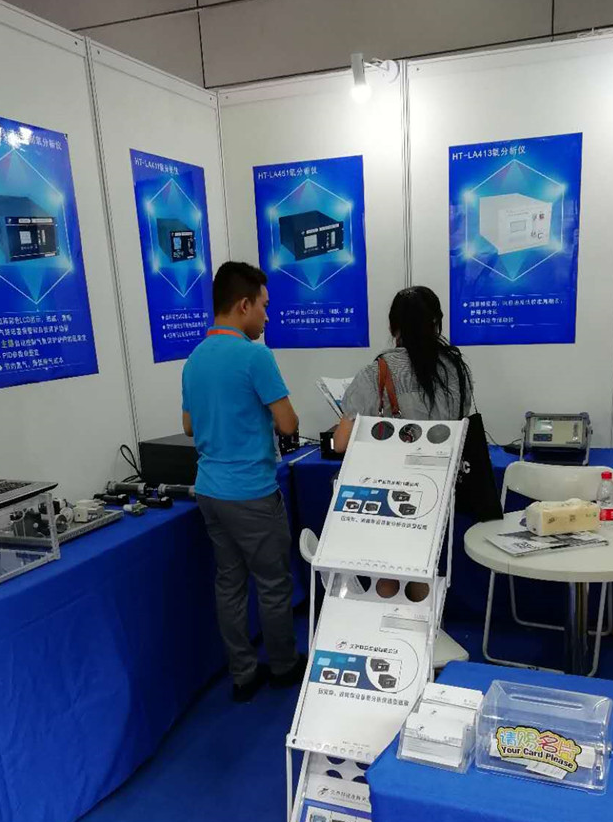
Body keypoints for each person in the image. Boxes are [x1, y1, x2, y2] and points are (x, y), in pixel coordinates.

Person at [182, 261, 305, 702]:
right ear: (243, 305)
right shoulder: (256, 356)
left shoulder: (194, 359)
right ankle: (284, 666)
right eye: (264, 307)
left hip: (210, 491)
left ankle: (243, 674)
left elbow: (189, 426)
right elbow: (288, 424)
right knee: (273, 584)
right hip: (251, 491)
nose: (267, 317)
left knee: (229, 584)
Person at [332, 286, 473, 453]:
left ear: (392, 327)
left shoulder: (374, 374)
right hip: (446, 465)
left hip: (394, 466)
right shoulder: (457, 369)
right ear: (436, 323)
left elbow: (340, 445)